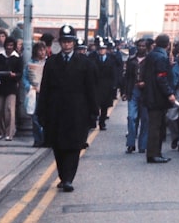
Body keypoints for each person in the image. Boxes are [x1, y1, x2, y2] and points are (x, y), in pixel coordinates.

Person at [36, 25, 98, 192]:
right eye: (64, 41)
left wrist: (94, 112)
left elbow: (91, 89)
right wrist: (41, 111)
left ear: (74, 43)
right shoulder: (52, 62)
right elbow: (45, 88)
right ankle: (63, 177)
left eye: (69, 41)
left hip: (77, 111)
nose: (67, 45)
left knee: (74, 145)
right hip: (56, 111)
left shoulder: (85, 63)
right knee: (58, 146)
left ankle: (69, 178)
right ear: (60, 43)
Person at [142, 33, 176, 163]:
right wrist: (169, 93)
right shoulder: (162, 57)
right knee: (156, 126)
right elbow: (161, 77)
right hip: (158, 97)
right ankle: (154, 154)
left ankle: (154, 153)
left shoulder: (151, 55)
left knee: (155, 126)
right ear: (168, 45)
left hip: (151, 95)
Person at [122, 38, 150, 153]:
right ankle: (130, 143)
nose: (141, 48)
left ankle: (142, 145)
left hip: (146, 92)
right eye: (139, 46)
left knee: (145, 119)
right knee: (131, 117)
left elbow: (152, 76)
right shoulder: (131, 60)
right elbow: (127, 77)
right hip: (133, 90)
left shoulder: (150, 60)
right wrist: (124, 92)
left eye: (144, 46)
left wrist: (146, 83)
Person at [0, 37, 23, 140]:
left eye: (11, 45)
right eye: (7, 45)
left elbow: (20, 73)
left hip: (11, 87)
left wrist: (15, 75)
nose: (9, 47)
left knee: (9, 109)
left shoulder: (17, 58)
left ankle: (9, 132)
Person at [89, 38, 121, 130]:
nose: (101, 50)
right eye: (100, 49)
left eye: (103, 49)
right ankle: (93, 121)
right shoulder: (93, 58)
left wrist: (115, 84)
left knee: (104, 106)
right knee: (94, 104)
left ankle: (102, 123)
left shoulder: (111, 59)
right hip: (96, 84)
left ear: (106, 50)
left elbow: (114, 72)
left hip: (107, 86)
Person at [22, 41, 48, 147]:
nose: (41, 52)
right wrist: (30, 87)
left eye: (43, 50)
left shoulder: (48, 63)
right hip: (34, 93)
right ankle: (37, 139)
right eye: (39, 50)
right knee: (35, 117)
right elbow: (25, 78)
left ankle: (46, 139)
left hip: (46, 93)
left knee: (46, 117)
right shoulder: (30, 64)